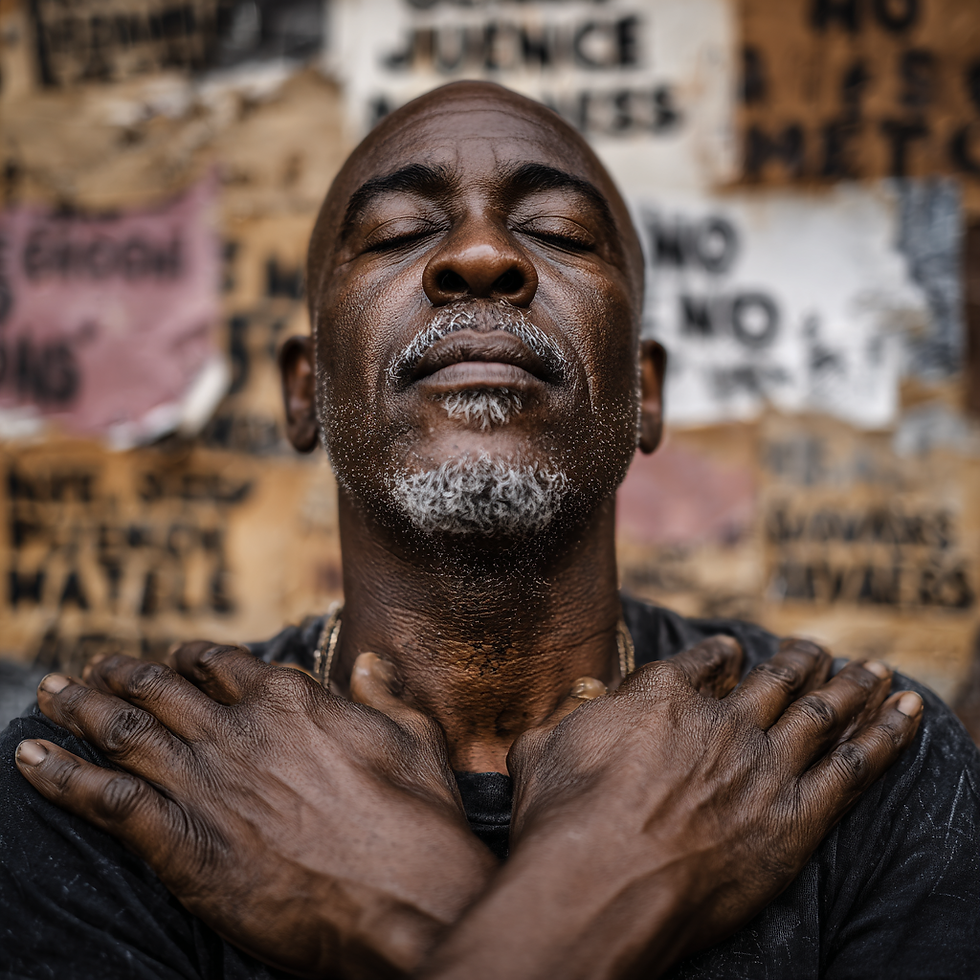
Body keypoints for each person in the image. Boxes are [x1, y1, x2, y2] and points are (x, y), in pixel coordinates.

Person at [2, 81, 978, 980]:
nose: (480, 257)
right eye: (394, 234)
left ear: (641, 393)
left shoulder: (860, 772)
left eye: (556, 231)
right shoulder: (117, 788)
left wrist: (411, 911)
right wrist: (613, 882)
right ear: (308, 389)